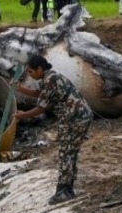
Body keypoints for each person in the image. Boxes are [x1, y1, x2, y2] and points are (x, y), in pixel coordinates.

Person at [14, 55, 92, 204]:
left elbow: (41, 108)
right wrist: (21, 89)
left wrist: (22, 115)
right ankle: (68, 187)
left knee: (66, 152)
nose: (30, 75)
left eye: (31, 71)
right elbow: (41, 94)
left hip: (74, 118)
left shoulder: (50, 80)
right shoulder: (51, 77)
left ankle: (63, 190)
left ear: (40, 69)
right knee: (71, 151)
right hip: (79, 116)